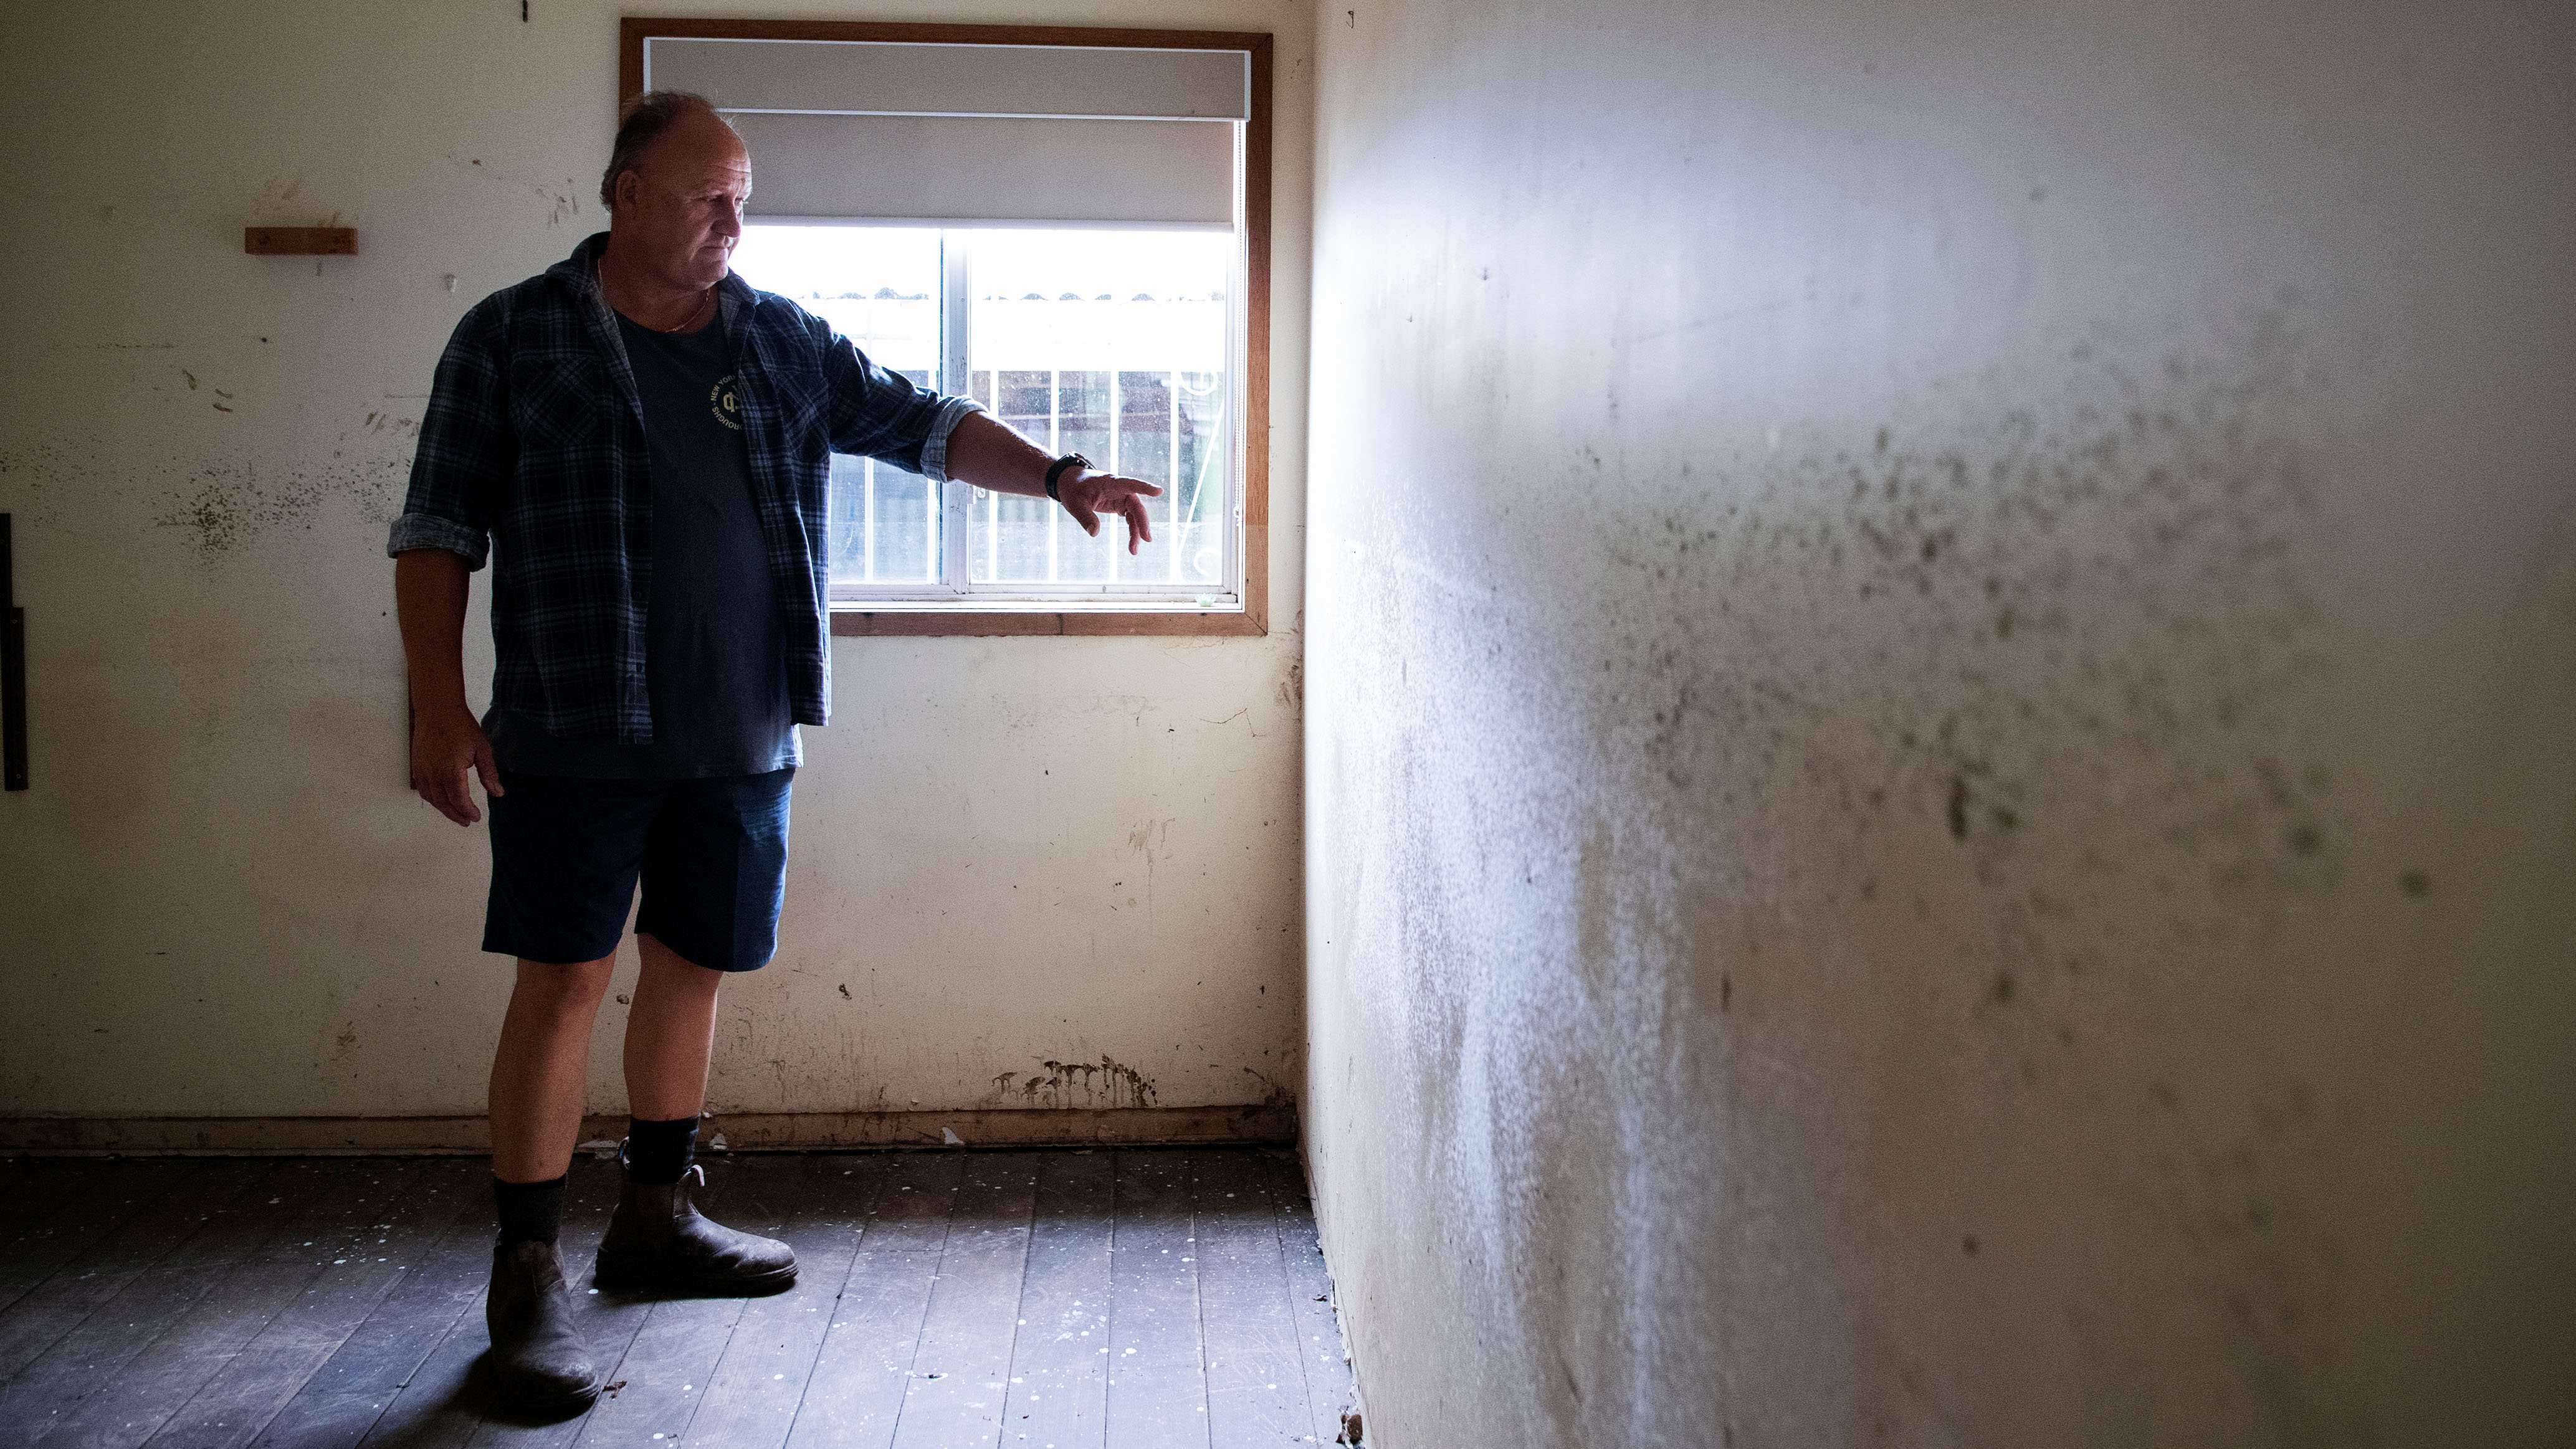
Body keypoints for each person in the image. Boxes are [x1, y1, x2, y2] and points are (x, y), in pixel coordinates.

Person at [388, 91, 1163, 1415]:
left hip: (741, 737)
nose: (732, 226)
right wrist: (435, 704)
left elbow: (922, 422)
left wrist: (1057, 475)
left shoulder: (782, 339)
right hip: (573, 737)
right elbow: (436, 527)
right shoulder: (512, 336)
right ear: (627, 193)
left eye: (743, 200)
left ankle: (655, 1217)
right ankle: (526, 1276)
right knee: (564, 984)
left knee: (693, 970)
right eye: (707, 200)